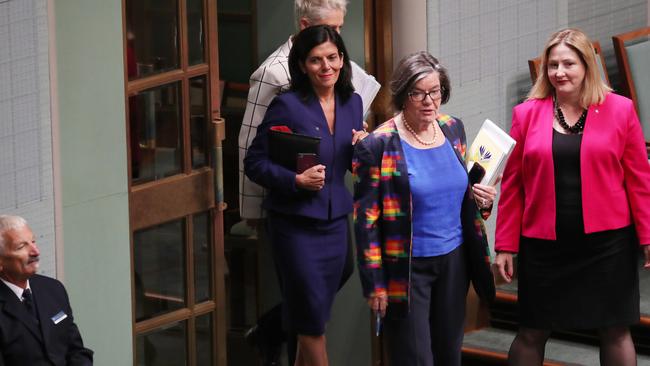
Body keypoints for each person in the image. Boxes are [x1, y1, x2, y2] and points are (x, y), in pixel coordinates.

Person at [493, 28, 650, 366]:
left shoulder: (620, 110)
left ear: (586, 66)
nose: (559, 72)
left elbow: (640, 180)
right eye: (553, 65)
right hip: (544, 245)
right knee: (531, 331)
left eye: (568, 64)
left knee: (615, 330)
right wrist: (506, 244)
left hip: (608, 244)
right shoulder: (527, 113)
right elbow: (514, 185)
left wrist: (648, 237)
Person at [237, 1, 376, 364]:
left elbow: (350, 163)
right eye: (316, 60)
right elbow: (254, 161)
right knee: (313, 327)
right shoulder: (287, 106)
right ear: (302, 65)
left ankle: (274, 326)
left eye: (332, 57)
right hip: (295, 227)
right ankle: (277, 326)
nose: (325, 66)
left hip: (335, 224)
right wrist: (295, 179)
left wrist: (364, 148)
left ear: (342, 59)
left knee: (309, 317)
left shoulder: (352, 103)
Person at [353, 51, 496, 366]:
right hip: (407, 268)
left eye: (435, 92)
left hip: (454, 262)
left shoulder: (452, 128)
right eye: (419, 93)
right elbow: (366, 223)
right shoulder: (378, 145)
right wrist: (375, 283)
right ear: (403, 94)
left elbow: (460, 194)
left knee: (449, 354)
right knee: (415, 358)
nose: (429, 100)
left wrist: (482, 202)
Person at [0, 215, 93, 366]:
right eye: (21, 247)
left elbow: (76, 350)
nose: (35, 251)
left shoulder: (53, 289)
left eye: (33, 241)